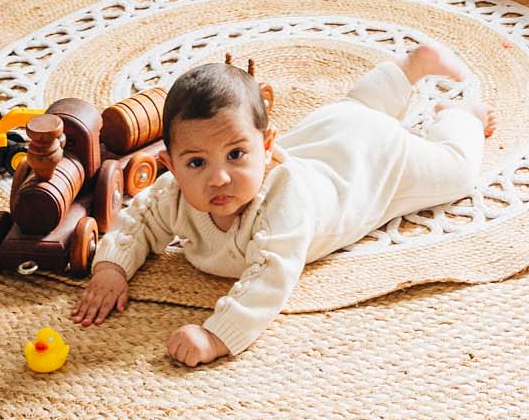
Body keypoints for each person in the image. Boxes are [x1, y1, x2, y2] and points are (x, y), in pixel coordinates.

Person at [72, 45, 493, 366]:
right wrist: (112, 266)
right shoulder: (176, 193)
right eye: (197, 162)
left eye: (237, 155)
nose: (218, 178)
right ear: (171, 166)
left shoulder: (282, 204)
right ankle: (408, 70)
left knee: (456, 172)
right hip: (332, 129)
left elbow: (270, 277)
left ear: (267, 146)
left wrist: (218, 336)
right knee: (355, 109)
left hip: (371, 163)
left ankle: (459, 115)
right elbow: (140, 218)